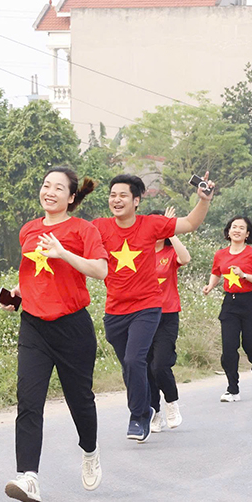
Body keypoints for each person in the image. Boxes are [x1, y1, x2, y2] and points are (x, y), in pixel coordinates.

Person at [0, 167, 108, 502]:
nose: (50, 191)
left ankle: (90, 451)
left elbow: (100, 270)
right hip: (34, 326)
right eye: (46, 185)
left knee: (80, 401)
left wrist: (63, 253)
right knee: (28, 400)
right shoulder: (28, 230)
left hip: (72, 327)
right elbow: (34, 276)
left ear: (71, 197)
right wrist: (16, 295)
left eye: (58, 188)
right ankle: (28, 477)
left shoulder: (83, 230)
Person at [95, 173, 214, 442]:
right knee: (130, 368)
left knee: (134, 359)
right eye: (113, 195)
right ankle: (149, 406)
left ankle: (139, 416)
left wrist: (203, 200)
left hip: (147, 307)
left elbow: (190, 223)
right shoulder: (99, 227)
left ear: (136, 200)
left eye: (123, 195)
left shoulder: (150, 224)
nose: (116, 200)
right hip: (114, 311)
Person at [202, 215, 252, 402]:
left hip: (250, 302)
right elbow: (216, 272)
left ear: (247, 234)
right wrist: (210, 286)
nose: (237, 230)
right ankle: (232, 389)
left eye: (241, 228)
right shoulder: (220, 254)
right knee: (229, 348)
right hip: (230, 303)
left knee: (251, 345)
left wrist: (244, 275)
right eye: (234, 227)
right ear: (228, 231)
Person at [147, 208, 191, 432]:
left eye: (160, 226)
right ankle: (154, 412)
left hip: (167, 315)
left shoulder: (169, 252)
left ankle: (171, 402)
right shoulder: (138, 253)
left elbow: (185, 258)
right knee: (146, 368)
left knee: (160, 365)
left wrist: (171, 230)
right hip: (142, 316)